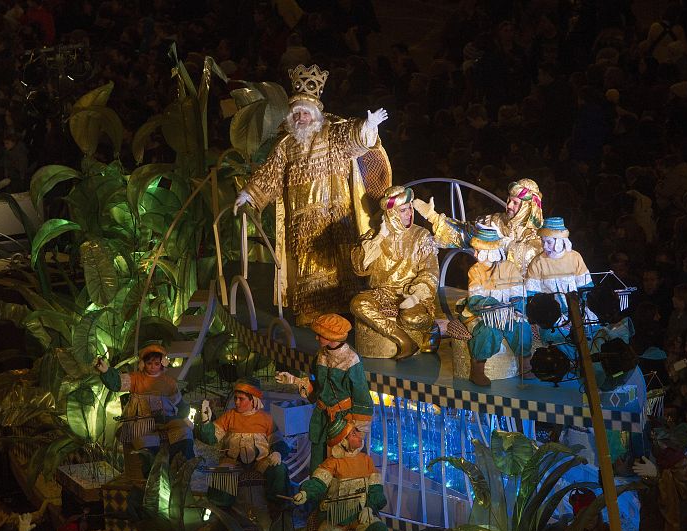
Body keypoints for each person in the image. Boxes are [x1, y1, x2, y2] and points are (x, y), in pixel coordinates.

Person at [233, 64, 390, 326]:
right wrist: (249, 195)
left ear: (316, 114)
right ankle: (311, 312)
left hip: (336, 215)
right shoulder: (285, 145)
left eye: (305, 113)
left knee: (342, 264)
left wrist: (369, 126)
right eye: (296, 114)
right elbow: (269, 174)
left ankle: (348, 308)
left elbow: (355, 139)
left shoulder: (333, 134)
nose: (300, 118)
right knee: (308, 265)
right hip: (303, 221)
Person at [276, 313, 373, 472]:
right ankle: (315, 494)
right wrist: (294, 381)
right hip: (321, 417)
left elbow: (362, 396)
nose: (316, 338)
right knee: (318, 460)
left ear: (332, 336)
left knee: (340, 463)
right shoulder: (320, 355)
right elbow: (318, 386)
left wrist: (358, 432)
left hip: (343, 420)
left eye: (320, 334)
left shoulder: (351, 360)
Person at [350, 185, 439, 359]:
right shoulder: (374, 236)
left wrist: (416, 296)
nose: (409, 213)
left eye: (410, 208)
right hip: (382, 293)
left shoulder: (421, 235)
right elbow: (359, 268)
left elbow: (430, 271)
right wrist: (380, 237)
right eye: (403, 210)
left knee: (412, 318)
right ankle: (404, 340)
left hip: (410, 293)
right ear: (391, 214)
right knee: (358, 304)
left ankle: (431, 327)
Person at [413, 178, 544, 277]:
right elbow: (464, 233)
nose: (508, 205)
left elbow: (531, 259)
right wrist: (433, 216)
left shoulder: (540, 234)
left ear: (527, 207)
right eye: (509, 200)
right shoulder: (495, 221)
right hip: (489, 288)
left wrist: (503, 244)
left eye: (515, 203)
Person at [95, 342, 194, 473]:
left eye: (156, 364)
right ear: (143, 363)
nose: (153, 367)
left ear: (162, 363)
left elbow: (179, 403)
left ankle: (180, 469)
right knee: (146, 443)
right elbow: (117, 383)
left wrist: (185, 418)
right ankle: (152, 475)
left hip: (167, 420)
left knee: (184, 434)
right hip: (141, 420)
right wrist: (106, 371)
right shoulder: (136, 378)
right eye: (149, 363)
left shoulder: (169, 382)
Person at [198, 378, 291, 515]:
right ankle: (220, 513)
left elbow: (278, 440)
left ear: (253, 400)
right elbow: (210, 439)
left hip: (261, 461)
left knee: (280, 470)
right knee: (223, 473)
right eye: (235, 398)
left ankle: (278, 510)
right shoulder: (229, 416)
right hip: (232, 461)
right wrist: (206, 422)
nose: (236, 402)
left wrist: (277, 452)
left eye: (241, 399)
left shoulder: (266, 418)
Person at [460, 224, 532, 386]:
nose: (475, 254)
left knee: (521, 327)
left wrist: (515, 308)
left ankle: (525, 365)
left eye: (479, 250)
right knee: (487, 330)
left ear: (490, 251)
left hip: (509, 311)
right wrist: (494, 307)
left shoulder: (509, 267)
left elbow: (519, 293)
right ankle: (477, 370)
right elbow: (475, 298)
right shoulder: (475, 270)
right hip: (482, 313)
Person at [292, 419, 387, 531]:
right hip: (334, 515)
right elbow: (319, 482)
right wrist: (305, 493)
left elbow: (376, 490)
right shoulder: (333, 462)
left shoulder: (367, 460)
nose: (360, 436)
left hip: (360, 512)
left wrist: (370, 507)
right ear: (343, 439)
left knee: (378, 530)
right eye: (353, 433)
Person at [524, 217, 595, 352]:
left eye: (548, 242)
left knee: (590, 335)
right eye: (543, 242)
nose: (545, 246)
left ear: (559, 241)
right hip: (551, 316)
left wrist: (582, 308)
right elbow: (531, 294)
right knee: (557, 341)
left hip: (577, 311)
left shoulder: (575, 257)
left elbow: (586, 287)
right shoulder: (538, 262)